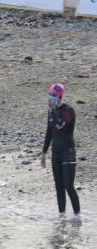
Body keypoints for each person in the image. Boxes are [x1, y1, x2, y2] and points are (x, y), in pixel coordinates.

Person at [41, 83, 80, 218]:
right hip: (56, 153)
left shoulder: (68, 111)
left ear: (60, 97)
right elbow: (49, 132)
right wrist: (44, 152)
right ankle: (62, 216)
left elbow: (60, 126)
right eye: (49, 95)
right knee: (59, 186)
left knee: (68, 185)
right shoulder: (51, 112)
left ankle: (77, 216)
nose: (50, 98)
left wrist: (54, 112)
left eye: (53, 96)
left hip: (68, 152)